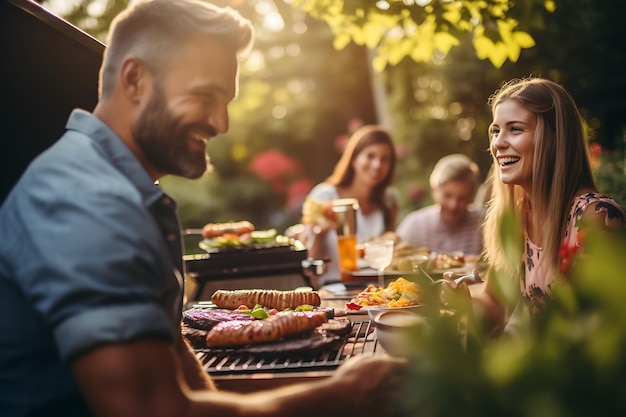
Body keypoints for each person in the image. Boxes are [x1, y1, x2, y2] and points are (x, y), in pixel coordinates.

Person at [0, 1, 406, 416]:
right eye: (205, 96)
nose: (221, 123)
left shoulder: (123, 190)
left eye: (226, 100)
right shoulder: (89, 201)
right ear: (135, 79)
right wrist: (337, 396)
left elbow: (175, 355)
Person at [474, 77, 626, 335]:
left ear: (555, 139)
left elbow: (598, 335)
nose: (498, 143)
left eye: (515, 129)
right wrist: (450, 305)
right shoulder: (517, 216)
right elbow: (494, 303)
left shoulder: (596, 218)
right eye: (496, 130)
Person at [301, 124, 399, 286]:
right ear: (354, 158)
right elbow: (308, 259)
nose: (377, 165)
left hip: (374, 289)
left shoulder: (389, 199)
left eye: (384, 159)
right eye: (370, 156)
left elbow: (390, 250)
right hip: (333, 287)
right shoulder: (325, 196)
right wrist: (321, 231)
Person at [396, 153, 484, 257]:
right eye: (447, 195)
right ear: (434, 192)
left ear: (471, 197)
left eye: (462, 198)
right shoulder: (415, 226)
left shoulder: (483, 222)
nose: (453, 205)